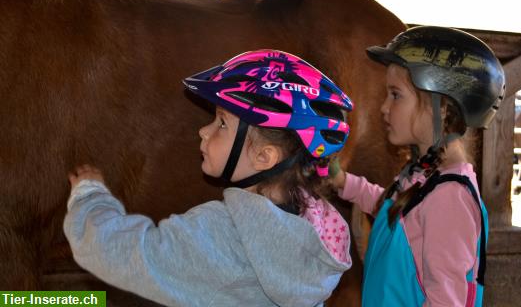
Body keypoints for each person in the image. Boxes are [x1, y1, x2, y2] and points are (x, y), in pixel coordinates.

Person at [64, 50, 354, 307]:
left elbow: (123, 254)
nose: (204, 131)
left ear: (264, 157)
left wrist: (90, 196)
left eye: (222, 123)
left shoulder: (220, 233)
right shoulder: (319, 229)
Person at [330, 26, 505, 307]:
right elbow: (396, 210)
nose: (384, 107)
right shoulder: (424, 176)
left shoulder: (449, 198)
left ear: (443, 108)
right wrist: (343, 183)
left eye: (396, 95)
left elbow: (446, 301)